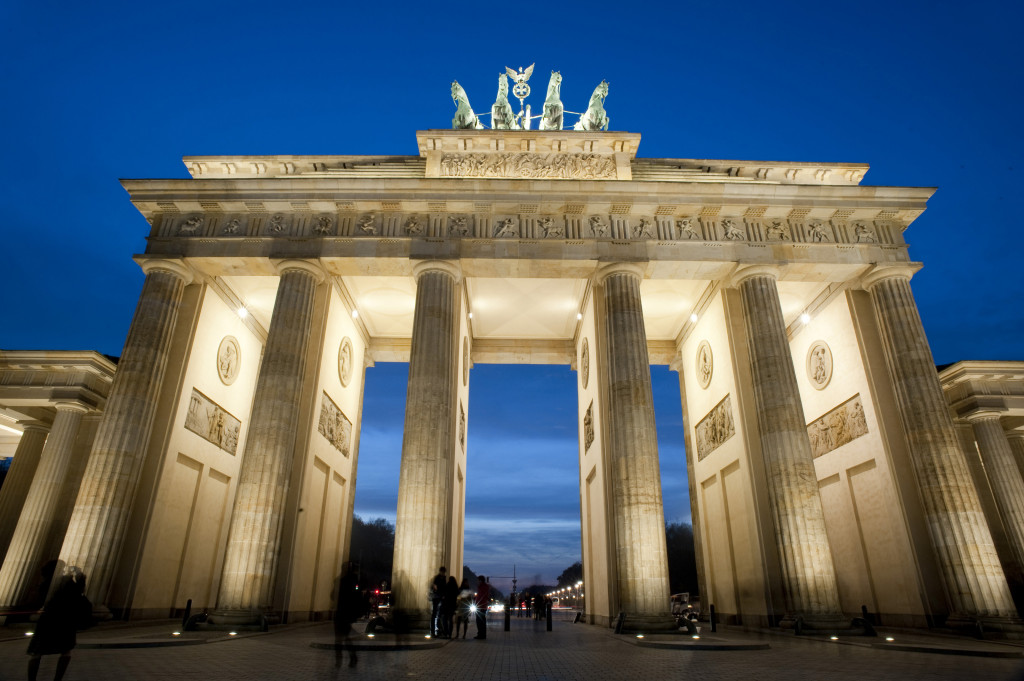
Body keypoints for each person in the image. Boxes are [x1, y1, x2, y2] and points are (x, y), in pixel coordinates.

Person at [27, 566, 88, 681]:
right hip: (64, 620)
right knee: (65, 651)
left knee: (37, 651)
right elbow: (80, 590)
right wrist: (79, 575)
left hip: (48, 618)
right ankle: (57, 679)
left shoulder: (47, 584)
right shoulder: (68, 584)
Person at [333, 564, 361, 669]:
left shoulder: (342, 580)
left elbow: (333, 595)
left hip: (343, 612)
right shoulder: (351, 581)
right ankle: (347, 658)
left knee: (341, 637)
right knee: (343, 637)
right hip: (344, 613)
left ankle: (340, 660)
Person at [429, 566, 447, 637]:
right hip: (437, 597)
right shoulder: (437, 578)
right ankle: (433, 631)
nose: (443, 573)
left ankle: (438, 630)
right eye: (443, 572)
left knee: (439, 615)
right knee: (435, 614)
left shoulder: (443, 578)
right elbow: (435, 587)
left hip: (440, 598)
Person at [473, 575, 490, 639]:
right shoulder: (483, 587)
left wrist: (478, 603)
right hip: (482, 606)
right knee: (482, 621)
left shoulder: (482, 587)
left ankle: (481, 634)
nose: (477, 581)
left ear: (480, 580)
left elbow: (481, 597)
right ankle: (482, 634)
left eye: (478, 580)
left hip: (480, 606)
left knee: (479, 621)